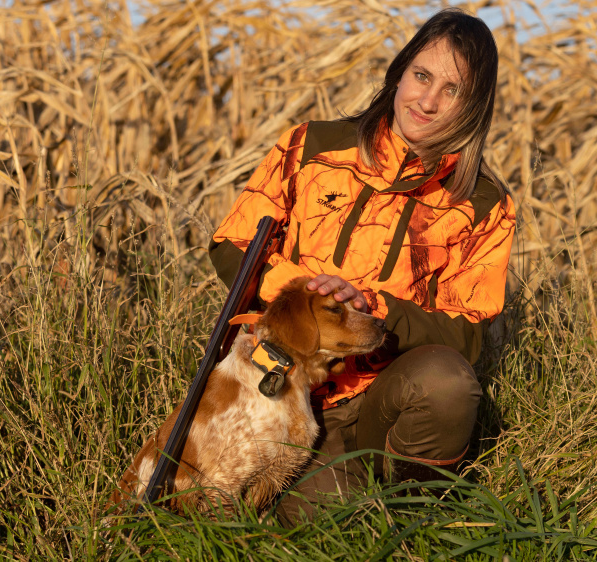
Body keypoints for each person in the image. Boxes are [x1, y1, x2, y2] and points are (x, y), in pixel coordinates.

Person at [209, 7, 515, 524]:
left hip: (382, 396)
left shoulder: (484, 204)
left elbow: (466, 335)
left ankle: (415, 511)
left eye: (452, 90)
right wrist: (308, 292)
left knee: (447, 384)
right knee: (331, 528)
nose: (428, 100)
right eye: (421, 76)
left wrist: (373, 307)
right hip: (287, 388)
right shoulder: (312, 147)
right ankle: (351, 505)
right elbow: (231, 246)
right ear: (399, 72)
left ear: (473, 106)